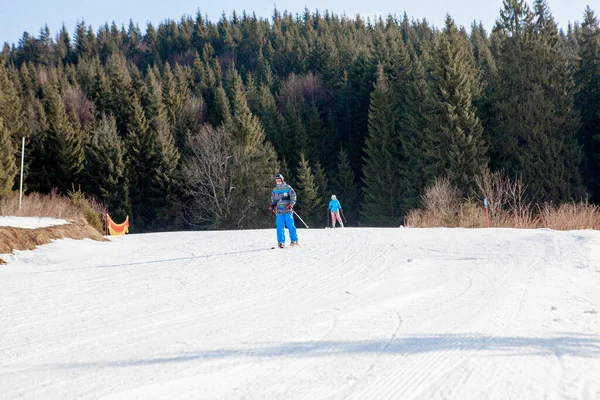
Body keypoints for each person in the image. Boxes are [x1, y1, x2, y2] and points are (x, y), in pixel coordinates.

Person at [269, 174, 299, 248]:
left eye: (279, 180)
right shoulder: (275, 190)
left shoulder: (288, 187)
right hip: (279, 211)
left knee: (290, 225)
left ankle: (294, 240)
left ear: (282, 180)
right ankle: (281, 242)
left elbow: (293, 196)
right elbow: (274, 200)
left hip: (288, 210)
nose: (278, 182)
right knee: (279, 226)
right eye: (277, 181)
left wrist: (291, 204)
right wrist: (273, 205)